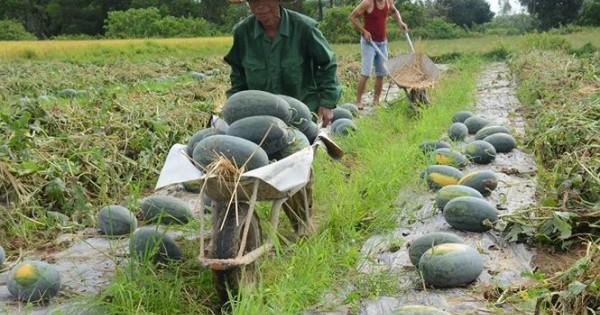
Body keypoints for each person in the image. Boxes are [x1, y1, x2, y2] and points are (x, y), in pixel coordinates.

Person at [223, 0, 342, 236]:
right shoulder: (243, 32)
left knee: (296, 166)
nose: (258, 6)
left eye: (264, 0)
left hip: (300, 116)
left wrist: (327, 101)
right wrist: (234, 107)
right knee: (264, 165)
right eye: (252, 1)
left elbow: (327, 62)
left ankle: (302, 222)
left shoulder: (304, 28)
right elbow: (237, 74)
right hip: (258, 118)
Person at [349, 0, 408, 109]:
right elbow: (352, 17)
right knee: (366, 73)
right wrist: (364, 31)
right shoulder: (367, 3)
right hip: (369, 43)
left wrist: (400, 22)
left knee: (381, 73)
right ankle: (358, 101)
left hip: (382, 42)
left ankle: (376, 102)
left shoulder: (388, 2)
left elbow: (394, 11)